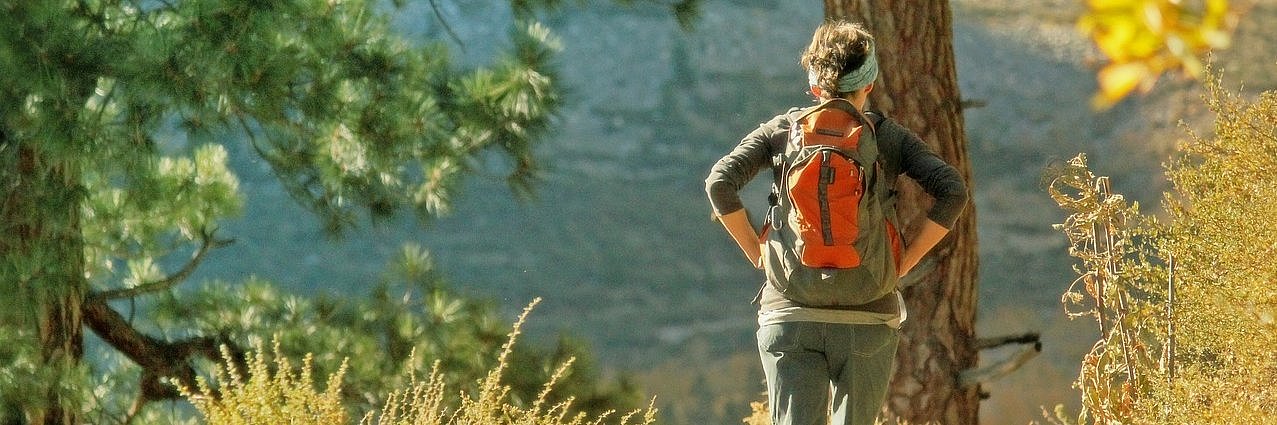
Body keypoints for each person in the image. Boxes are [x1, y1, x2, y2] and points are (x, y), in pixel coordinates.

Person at [703, 20, 968, 425]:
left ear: (814, 87)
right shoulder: (887, 137)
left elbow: (719, 183)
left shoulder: (783, 131)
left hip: (790, 310)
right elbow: (952, 191)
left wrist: (756, 252)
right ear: (870, 83)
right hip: (868, 312)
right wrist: (906, 260)